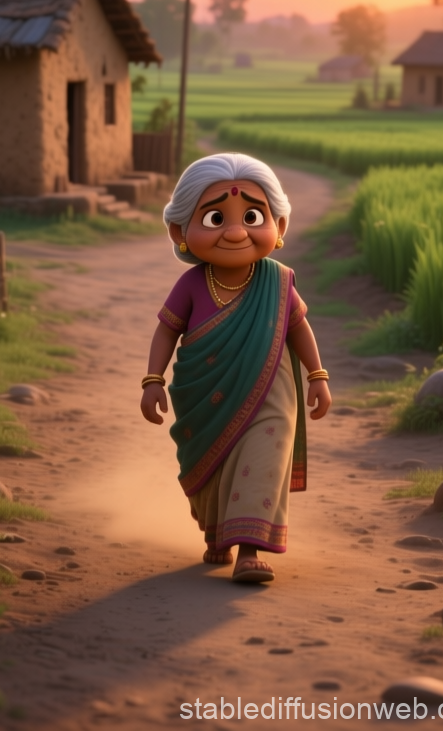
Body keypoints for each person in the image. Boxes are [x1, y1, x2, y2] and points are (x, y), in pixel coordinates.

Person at [140, 153, 331, 583]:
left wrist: (317, 375)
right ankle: (218, 533)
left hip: (270, 391)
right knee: (212, 462)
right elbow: (166, 333)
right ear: (179, 231)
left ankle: (250, 548)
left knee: (266, 452)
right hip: (202, 398)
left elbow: (299, 330)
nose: (235, 231)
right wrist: (153, 381)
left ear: (278, 227)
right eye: (214, 218)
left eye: (251, 215)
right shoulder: (191, 284)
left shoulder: (278, 281)